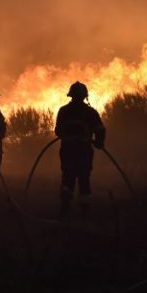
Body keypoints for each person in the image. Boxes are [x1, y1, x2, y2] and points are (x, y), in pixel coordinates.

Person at [55, 81, 106, 216]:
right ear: (85, 96)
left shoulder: (64, 111)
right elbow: (100, 130)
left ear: (71, 95)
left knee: (68, 177)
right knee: (83, 178)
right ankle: (84, 209)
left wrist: (69, 135)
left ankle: (66, 208)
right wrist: (99, 142)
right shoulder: (90, 112)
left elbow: (58, 131)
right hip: (83, 151)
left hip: (68, 150)